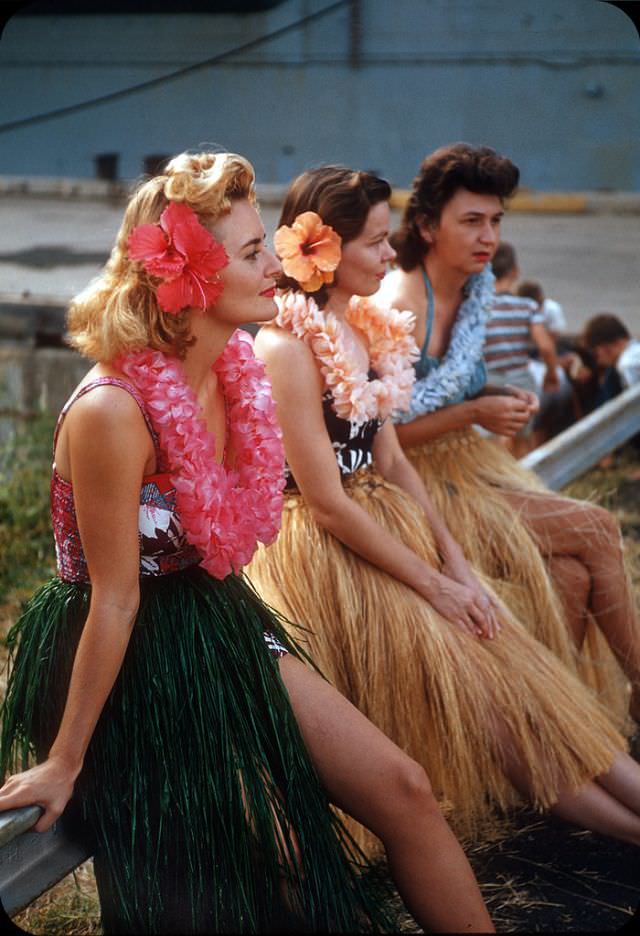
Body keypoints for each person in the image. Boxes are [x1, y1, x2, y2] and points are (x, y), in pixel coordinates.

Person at [0, 151, 497, 935]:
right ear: (186, 278)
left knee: (403, 787)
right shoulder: (113, 411)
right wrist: (64, 761)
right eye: (251, 252)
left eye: (267, 244)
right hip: (119, 648)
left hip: (217, 610)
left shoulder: (241, 368)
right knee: (282, 863)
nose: (277, 265)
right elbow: (114, 598)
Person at [246, 163, 640, 867]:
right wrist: (435, 588)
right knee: (493, 713)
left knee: (530, 684)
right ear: (324, 249)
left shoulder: (364, 326)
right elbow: (328, 502)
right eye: (372, 242)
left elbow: (392, 462)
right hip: (331, 550)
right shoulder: (283, 346)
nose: (389, 253)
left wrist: (458, 565)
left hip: (395, 520)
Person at [378, 142, 639, 727]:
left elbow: (450, 388)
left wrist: (495, 399)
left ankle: (551, 730)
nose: (487, 237)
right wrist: (475, 414)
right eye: (471, 221)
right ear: (425, 224)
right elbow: (373, 441)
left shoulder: (476, 288)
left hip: (466, 467)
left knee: (570, 577)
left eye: (496, 221)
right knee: (596, 526)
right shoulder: (399, 303)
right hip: (412, 489)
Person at [483, 242, 559, 454]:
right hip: (522, 382)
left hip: (488, 382)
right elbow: (545, 347)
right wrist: (551, 374)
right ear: (515, 271)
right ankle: (523, 481)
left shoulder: (477, 306)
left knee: (490, 443)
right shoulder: (528, 306)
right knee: (522, 439)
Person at [582, 314, 640, 391]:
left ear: (605, 347)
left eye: (595, 354)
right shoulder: (636, 349)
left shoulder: (627, 364)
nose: (598, 362)